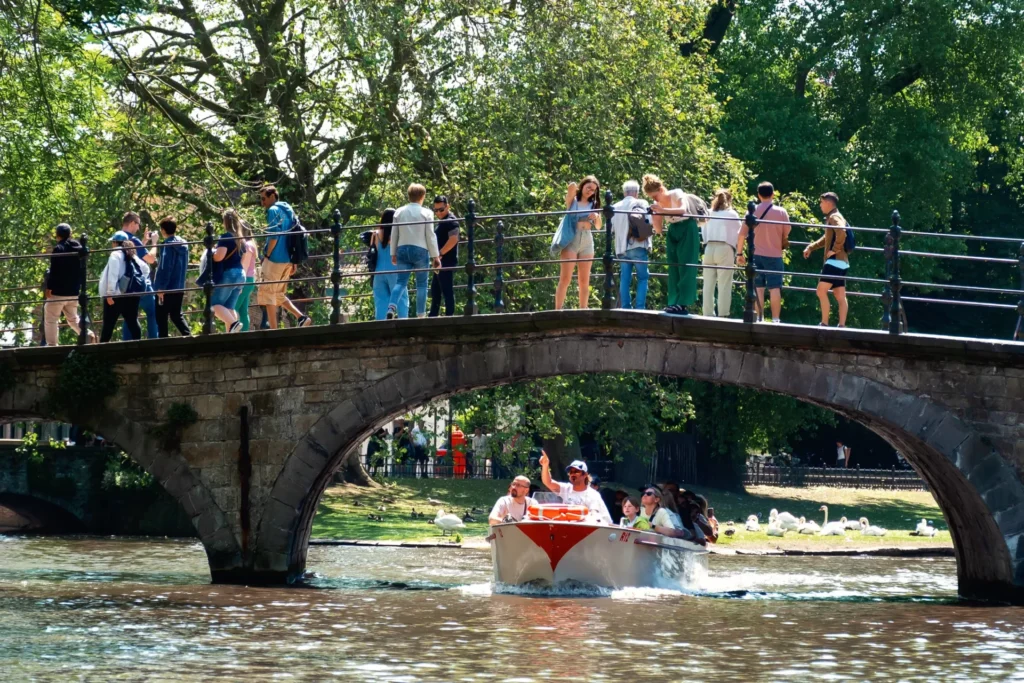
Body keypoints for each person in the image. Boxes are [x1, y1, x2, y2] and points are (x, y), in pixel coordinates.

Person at [643, 174, 706, 315]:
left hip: (687, 226)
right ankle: (674, 301)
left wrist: (662, 210)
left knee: (687, 265)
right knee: (673, 266)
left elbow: (683, 209)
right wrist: (654, 216)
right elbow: (659, 230)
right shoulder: (658, 205)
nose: (654, 200)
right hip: (673, 229)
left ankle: (683, 302)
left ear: (661, 190)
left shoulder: (676, 193)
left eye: (655, 196)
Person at [256, 185, 312, 329]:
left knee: (268, 294)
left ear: (272, 197)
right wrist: (294, 262)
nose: (262, 203)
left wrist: (266, 255)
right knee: (278, 294)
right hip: (288, 259)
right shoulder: (289, 211)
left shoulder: (273, 211)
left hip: (275, 259)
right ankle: (301, 317)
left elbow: (274, 237)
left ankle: (274, 331)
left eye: (264, 198)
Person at [736, 182, 791, 323]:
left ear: (758, 195)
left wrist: (739, 254)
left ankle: (759, 318)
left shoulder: (751, 212)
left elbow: (742, 235)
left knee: (758, 288)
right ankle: (775, 319)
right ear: (773, 194)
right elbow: (787, 233)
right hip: (775, 255)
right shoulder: (781, 212)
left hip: (756, 255)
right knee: (775, 288)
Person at [389, 183, 441, 319]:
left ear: (409, 196)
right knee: (422, 284)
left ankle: (391, 307)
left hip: (402, 248)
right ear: (422, 196)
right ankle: (420, 315)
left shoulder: (399, 212)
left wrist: (392, 253)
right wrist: (436, 256)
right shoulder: (427, 213)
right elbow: (430, 235)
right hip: (420, 249)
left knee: (400, 282)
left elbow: (394, 234)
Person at [803, 192, 851, 327]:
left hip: (834, 261)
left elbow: (841, 231)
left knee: (821, 291)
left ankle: (824, 323)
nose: (820, 205)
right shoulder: (835, 216)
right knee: (840, 295)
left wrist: (835, 249)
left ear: (828, 203)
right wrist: (811, 247)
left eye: (821, 202)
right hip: (843, 262)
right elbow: (827, 239)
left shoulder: (834, 216)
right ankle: (841, 325)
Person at [555, 176, 602, 310]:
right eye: (588, 188)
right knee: (565, 278)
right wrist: (575, 185)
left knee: (584, 279)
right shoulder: (572, 201)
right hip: (571, 238)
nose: (590, 191)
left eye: (593, 190)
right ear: (582, 186)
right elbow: (571, 189)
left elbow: (598, 226)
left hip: (587, 239)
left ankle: (583, 308)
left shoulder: (594, 204)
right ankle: (558, 310)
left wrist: (597, 217)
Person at [43, 223, 94, 346]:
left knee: (51, 318)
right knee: (73, 319)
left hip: (58, 293)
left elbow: (54, 271)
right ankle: (88, 335)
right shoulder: (79, 248)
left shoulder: (58, 249)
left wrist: (49, 287)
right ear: (70, 234)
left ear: (57, 235)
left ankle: (52, 346)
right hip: (74, 292)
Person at [98, 231, 149, 342]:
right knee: (132, 321)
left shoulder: (115, 254)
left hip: (116, 295)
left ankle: (102, 350)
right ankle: (139, 346)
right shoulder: (132, 254)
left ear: (115, 243)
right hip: (131, 294)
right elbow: (146, 269)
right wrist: (137, 281)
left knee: (108, 324)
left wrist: (110, 294)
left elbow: (113, 274)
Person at [610, 179, 653, 309]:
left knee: (625, 278)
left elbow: (611, 229)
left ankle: (625, 307)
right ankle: (640, 308)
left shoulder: (615, 207)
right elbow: (649, 222)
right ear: (637, 193)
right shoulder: (642, 203)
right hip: (638, 245)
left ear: (624, 193)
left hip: (622, 248)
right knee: (643, 277)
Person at [538, 452, 611, 523]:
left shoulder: (593, 495)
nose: (572, 474)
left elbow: (595, 517)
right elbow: (548, 482)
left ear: (585, 475)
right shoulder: (566, 489)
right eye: (570, 472)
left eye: (576, 471)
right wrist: (545, 465)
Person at [701, 188, 742, 317]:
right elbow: (739, 233)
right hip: (725, 247)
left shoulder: (708, 213)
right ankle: (723, 314)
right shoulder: (732, 214)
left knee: (708, 283)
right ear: (729, 200)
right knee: (724, 284)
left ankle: (707, 313)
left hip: (709, 247)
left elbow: (703, 231)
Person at [119, 211, 159, 339]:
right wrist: (154, 243)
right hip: (139, 282)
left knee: (129, 314)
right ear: (132, 223)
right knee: (153, 311)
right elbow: (151, 259)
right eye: (138, 224)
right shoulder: (133, 239)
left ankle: (127, 342)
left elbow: (132, 255)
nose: (138, 228)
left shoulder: (117, 237)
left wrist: (143, 242)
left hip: (124, 283)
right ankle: (154, 341)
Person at [152, 217, 191, 338]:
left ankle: (163, 341)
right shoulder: (184, 245)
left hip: (167, 288)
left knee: (161, 315)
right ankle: (188, 336)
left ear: (163, 230)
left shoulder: (167, 246)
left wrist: (161, 287)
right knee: (176, 315)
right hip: (179, 286)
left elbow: (165, 267)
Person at [368, 209, 410, 320]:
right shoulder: (398, 234)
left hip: (379, 271)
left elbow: (373, 251)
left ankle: (381, 329)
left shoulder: (375, 234)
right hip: (395, 270)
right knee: (401, 300)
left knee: (381, 302)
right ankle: (403, 323)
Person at [211, 209, 246, 333]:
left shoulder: (226, 237)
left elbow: (219, 257)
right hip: (241, 274)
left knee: (214, 305)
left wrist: (212, 253)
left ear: (225, 222)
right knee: (229, 307)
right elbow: (243, 259)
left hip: (229, 274)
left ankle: (234, 323)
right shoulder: (241, 239)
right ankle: (231, 336)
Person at [429, 195, 459, 317]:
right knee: (435, 289)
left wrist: (440, 253)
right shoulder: (443, 221)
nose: (438, 213)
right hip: (440, 260)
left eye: (441, 210)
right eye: (435, 210)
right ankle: (433, 315)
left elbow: (454, 239)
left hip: (446, 260)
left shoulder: (451, 220)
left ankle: (449, 315)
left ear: (448, 206)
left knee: (446, 289)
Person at [234, 220, 259, 331]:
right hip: (249, 280)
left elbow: (245, 265)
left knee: (232, 308)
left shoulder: (247, 245)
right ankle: (244, 334)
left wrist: (239, 282)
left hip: (245, 280)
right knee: (243, 311)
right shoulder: (251, 244)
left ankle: (231, 334)